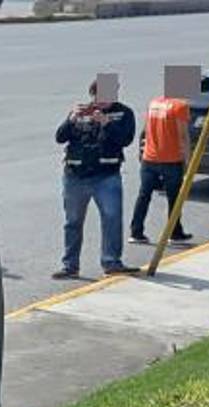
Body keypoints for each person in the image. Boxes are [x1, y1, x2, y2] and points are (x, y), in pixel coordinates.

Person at [53, 79, 139, 279]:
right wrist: (71, 120)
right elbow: (60, 137)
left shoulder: (124, 113)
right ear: (92, 94)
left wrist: (106, 123)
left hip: (106, 176)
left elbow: (125, 139)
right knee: (72, 221)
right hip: (75, 176)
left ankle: (111, 262)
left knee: (111, 218)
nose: (103, 101)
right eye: (99, 96)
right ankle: (70, 265)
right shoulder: (81, 112)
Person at [128, 93, 192, 245]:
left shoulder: (154, 103)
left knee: (144, 195)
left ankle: (136, 232)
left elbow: (146, 130)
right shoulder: (180, 106)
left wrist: (142, 153)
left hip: (150, 158)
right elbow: (183, 135)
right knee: (174, 197)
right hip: (171, 159)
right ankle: (174, 233)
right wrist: (188, 161)